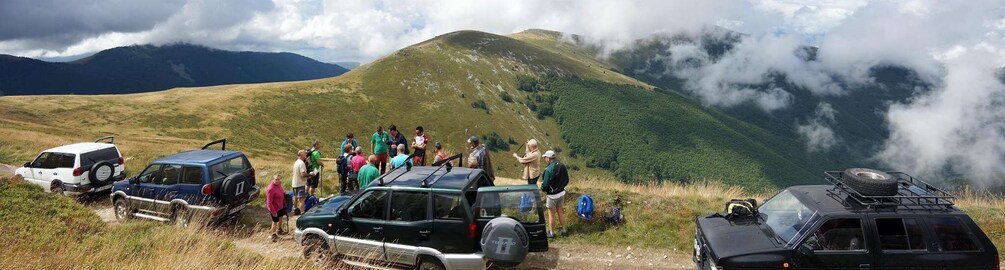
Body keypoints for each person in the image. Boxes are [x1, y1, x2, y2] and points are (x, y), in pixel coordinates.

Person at [540, 150, 569, 238]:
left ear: (548, 158)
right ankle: (564, 230)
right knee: (560, 211)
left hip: (552, 196)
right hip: (561, 193)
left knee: (551, 214)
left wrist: (542, 189)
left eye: (545, 157)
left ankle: (551, 233)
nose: (545, 158)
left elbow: (545, 185)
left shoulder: (548, 169)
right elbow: (566, 179)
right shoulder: (562, 165)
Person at [291, 150, 315, 215]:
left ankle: (295, 210)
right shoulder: (301, 163)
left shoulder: (296, 162)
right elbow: (303, 174)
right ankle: (302, 213)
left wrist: (307, 177)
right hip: (300, 184)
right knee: (302, 199)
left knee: (296, 197)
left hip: (295, 183)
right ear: (301, 155)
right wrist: (311, 174)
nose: (306, 155)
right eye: (305, 153)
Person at [265, 173, 287, 242]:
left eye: (279, 179)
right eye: (276, 179)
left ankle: (279, 230)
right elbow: (269, 202)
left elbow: (282, 191)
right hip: (274, 208)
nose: (277, 181)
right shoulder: (270, 189)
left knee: (280, 218)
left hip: (280, 205)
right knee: (275, 221)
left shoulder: (279, 184)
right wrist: (273, 212)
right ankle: (273, 235)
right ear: (273, 179)